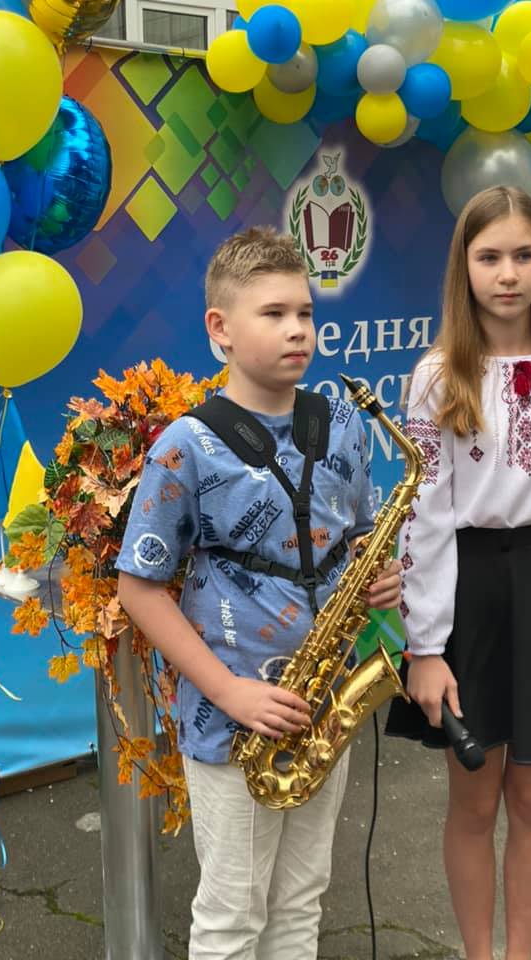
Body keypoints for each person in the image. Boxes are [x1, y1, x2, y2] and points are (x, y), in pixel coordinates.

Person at [116, 226, 402, 960]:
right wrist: (230, 692)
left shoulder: (341, 424)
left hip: (323, 702)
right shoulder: (185, 445)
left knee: (302, 901)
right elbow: (139, 589)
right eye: (273, 313)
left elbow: (360, 534)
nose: (298, 329)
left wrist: (381, 574)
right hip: (232, 717)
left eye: (305, 312)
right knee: (233, 915)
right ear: (220, 329)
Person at [385, 186, 531, 960]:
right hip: (473, 595)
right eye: (489, 257)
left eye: (524, 255)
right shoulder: (436, 376)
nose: (508, 274)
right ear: (464, 266)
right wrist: (426, 648)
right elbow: (423, 516)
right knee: (474, 802)